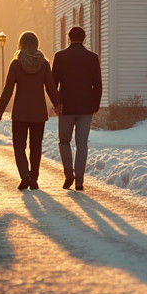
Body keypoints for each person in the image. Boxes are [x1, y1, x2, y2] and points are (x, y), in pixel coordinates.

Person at [0, 31, 58, 190]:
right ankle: (34, 178)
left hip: (20, 113)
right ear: (37, 44)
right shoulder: (44, 64)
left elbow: (8, 90)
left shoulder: (16, 64)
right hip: (38, 113)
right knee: (36, 146)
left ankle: (25, 176)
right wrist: (59, 105)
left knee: (19, 146)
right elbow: (51, 88)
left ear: (20, 44)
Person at [52, 26, 103, 191]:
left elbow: (54, 84)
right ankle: (79, 180)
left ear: (68, 37)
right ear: (84, 38)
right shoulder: (93, 58)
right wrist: (95, 105)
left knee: (64, 141)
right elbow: (98, 85)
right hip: (86, 106)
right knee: (82, 144)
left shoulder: (60, 57)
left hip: (66, 106)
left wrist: (56, 103)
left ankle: (69, 174)